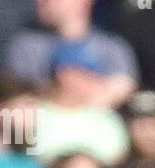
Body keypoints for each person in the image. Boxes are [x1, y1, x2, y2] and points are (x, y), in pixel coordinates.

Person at [8, 0, 138, 108]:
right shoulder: (26, 45)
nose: (41, 2)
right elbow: (21, 98)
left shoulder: (112, 47)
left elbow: (123, 89)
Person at [31, 41, 131, 168]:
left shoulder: (106, 117)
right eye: (87, 73)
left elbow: (118, 162)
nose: (96, 78)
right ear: (64, 74)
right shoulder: (32, 115)